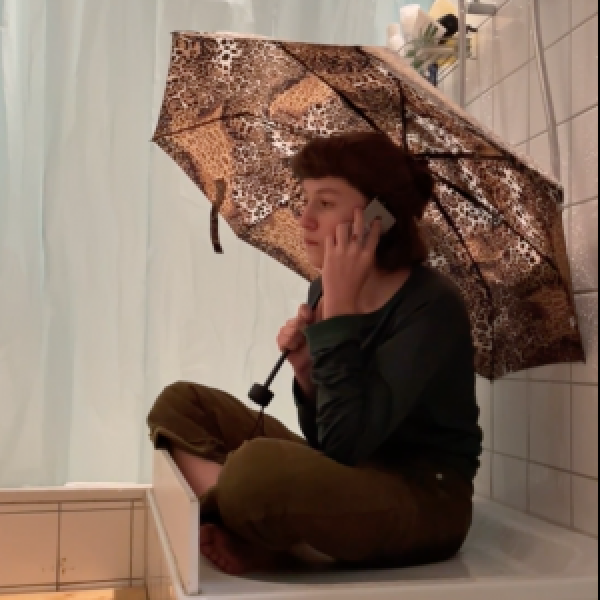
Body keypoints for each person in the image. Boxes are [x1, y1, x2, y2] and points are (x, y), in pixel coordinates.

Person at [147, 132, 483, 576]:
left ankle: (243, 517)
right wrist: (306, 374)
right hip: (348, 477)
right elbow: (325, 441)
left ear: (378, 217)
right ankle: (253, 521)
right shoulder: (323, 290)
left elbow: (346, 444)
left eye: (324, 203)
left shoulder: (431, 306)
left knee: (256, 470)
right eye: (304, 201)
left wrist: (339, 315)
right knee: (179, 403)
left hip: (424, 498)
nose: (304, 219)